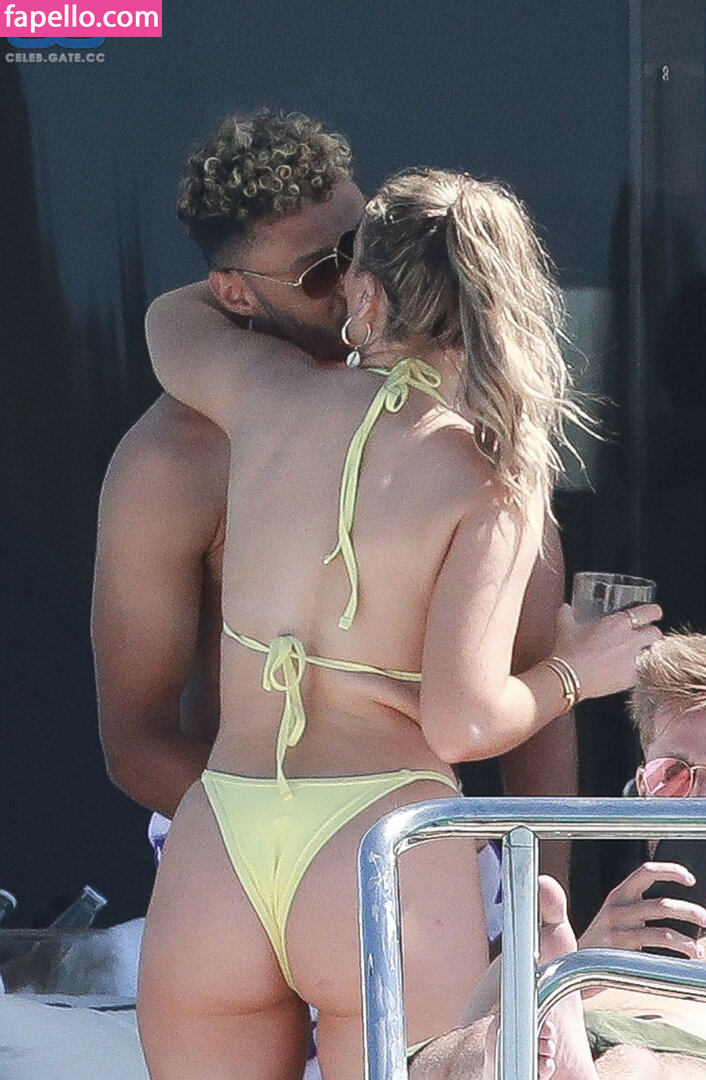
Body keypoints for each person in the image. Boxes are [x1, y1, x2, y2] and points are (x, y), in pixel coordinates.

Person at [136, 163, 660, 1080]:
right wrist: (578, 671)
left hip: (221, 834)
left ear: (367, 294)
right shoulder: (490, 483)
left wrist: (305, 280)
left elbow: (167, 320)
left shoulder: (263, 394)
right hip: (382, 847)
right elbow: (463, 721)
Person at [92, 108, 576, 891]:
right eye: (322, 273)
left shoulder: (462, 429)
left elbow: (531, 677)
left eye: (362, 245)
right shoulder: (176, 458)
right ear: (234, 295)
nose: (355, 279)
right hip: (244, 858)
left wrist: (544, 912)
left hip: (419, 854)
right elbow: (137, 741)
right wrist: (304, 840)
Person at [412, 633, 706, 1080]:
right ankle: (525, 1040)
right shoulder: (587, 934)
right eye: (672, 775)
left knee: (634, 1064)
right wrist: (586, 964)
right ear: (643, 787)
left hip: (675, 1050)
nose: (698, 801)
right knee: (472, 1035)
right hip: (562, 1035)